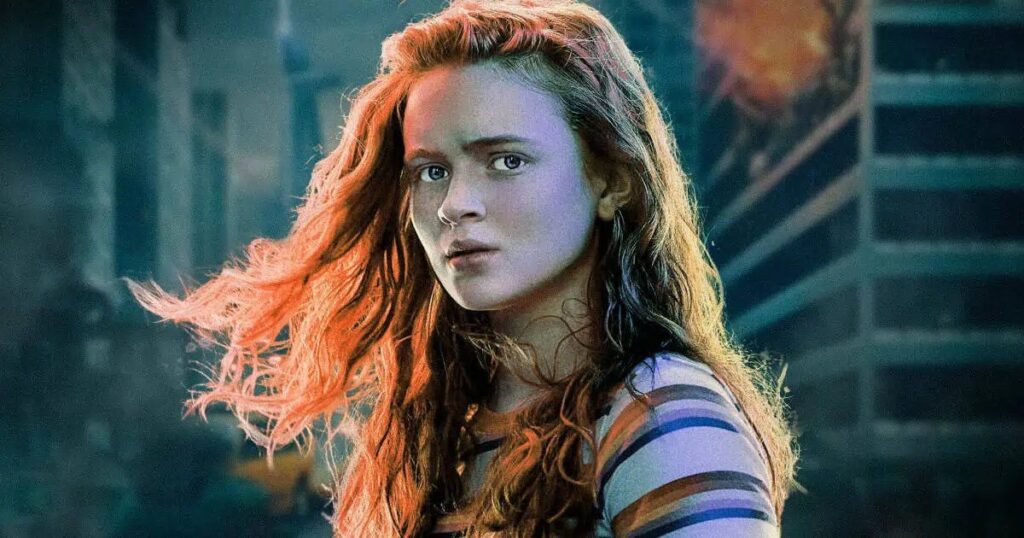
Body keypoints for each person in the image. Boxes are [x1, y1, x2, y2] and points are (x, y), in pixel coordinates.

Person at [129, 1, 798, 535]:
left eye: (506, 160)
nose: (454, 205)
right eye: (431, 171)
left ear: (611, 181)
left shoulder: (663, 417)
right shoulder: (448, 433)